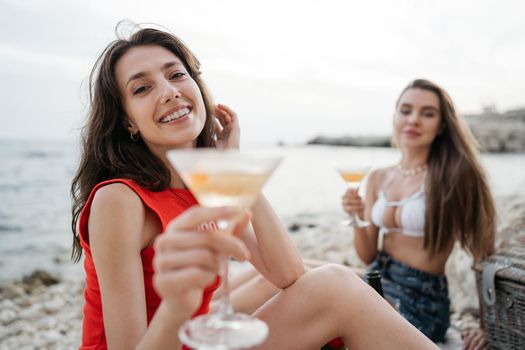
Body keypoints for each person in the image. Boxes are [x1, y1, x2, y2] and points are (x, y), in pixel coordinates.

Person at [71, 23, 438, 350]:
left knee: (322, 278)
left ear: (199, 87)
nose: (168, 92)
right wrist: (178, 307)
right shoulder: (118, 200)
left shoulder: (204, 188)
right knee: (335, 286)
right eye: (142, 88)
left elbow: (287, 274)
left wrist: (233, 168)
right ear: (127, 122)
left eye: (177, 75)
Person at [341, 79, 496, 349]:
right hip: (378, 278)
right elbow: (367, 255)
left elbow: (484, 251)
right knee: (285, 276)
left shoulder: (455, 176)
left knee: (321, 288)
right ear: (395, 116)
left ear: (442, 125)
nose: (414, 120)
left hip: (421, 298)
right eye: (406, 110)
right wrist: (357, 218)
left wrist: (486, 325)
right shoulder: (379, 177)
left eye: (427, 113)